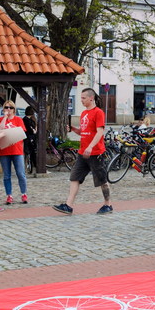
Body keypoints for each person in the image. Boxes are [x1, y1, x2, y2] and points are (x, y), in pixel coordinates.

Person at [53, 87, 112, 215]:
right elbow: (84, 131)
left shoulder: (98, 113)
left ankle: (108, 204)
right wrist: (74, 129)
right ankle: (68, 205)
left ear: (91, 98)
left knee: (102, 180)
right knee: (75, 177)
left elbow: (100, 132)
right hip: (82, 153)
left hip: (96, 153)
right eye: (80, 98)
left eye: (83, 98)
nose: (81, 100)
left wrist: (91, 146)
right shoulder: (84, 113)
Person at [0, 101, 28, 204]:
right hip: (4, 151)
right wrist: (5, 118)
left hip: (17, 150)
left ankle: (24, 193)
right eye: (6, 107)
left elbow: (22, 133)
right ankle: (9, 195)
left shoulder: (18, 120)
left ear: (14, 109)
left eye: (10, 108)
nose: (8, 109)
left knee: (20, 173)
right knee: (7, 175)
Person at [23, 106, 38, 173]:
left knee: (29, 152)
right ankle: (33, 166)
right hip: (31, 137)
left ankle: (30, 166)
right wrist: (34, 131)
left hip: (28, 137)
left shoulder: (25, 119)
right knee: (32, 152)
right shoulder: (32, 119)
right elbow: (32, 128)